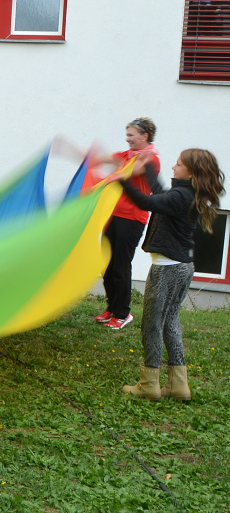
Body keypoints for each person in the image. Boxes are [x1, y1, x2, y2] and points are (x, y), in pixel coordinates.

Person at [113, 149, 224, 401]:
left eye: (178, 164)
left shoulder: (180, 196)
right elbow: (160, 193)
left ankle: (149, 385)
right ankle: (178, 385)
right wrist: (149, 168)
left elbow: (146, 202)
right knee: (170, 321)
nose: (173, 167)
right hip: (183, 266)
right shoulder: (185, 194)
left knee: (152, 324)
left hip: (166, 269)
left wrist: (120, 179)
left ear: (191, 172)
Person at [94, 118, 161, 330]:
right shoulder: (124, 157)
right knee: (107, 262)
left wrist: (111, 177)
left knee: (121, 265)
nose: (127, 138)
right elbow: (100, 160)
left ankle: (123, 313)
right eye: (127, 134)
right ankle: (112, 307)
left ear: (145, 136)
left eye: (131, 135)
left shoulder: (151, 160)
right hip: (112, 215)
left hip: (132, 218)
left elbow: (130, 172)